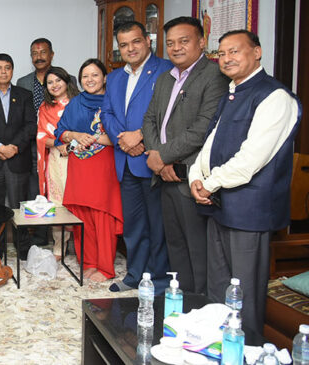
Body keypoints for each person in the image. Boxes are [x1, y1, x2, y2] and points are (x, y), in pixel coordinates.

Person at [190, 30, 300, 344]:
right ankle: (215, 349)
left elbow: (252, 158)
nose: (227, 59)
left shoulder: (274, 97)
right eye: (222, 53)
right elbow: (210, 144)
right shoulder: (232, 92)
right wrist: (196, 177)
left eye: (234, 51)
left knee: (244, 293)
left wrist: (209, 183)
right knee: (218, 287)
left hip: (249, 210)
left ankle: (245, 351)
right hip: (217, 203)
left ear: (257, 52)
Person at [142, 16, 228, 295]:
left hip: (192, 176)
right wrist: (158, 159)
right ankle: (182, 300)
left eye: (184, 41)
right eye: (170, 43)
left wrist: (163, 157)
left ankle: (201, 302)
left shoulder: (214, 76)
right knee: (176, 246)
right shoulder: (166, 78)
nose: (176, 48)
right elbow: (150, 120)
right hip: (165, 175)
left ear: (202, 42)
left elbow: (203, 127)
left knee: (197, 248)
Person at [101, 21, 174, 294]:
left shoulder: (166, 70)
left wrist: (140, 136)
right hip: (125, 160)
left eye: (135, 42)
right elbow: (107, 113)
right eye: (123, 45)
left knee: (158, 225)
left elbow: (170, 113)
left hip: (154, 160)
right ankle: (135, 275)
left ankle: (159, 280)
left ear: (148, 41)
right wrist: (123, 139)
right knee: (133, 225)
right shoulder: (115, 77)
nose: (130, 49)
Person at [54, 59, 123, 282]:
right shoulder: (75, 103)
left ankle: (105, 267)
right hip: (79, 166)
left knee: (102, 216)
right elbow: (60, 133)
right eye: (85, 76)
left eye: (95, 75)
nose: (90, 80)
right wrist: (75, 135)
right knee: (82, 215)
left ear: (105, 78)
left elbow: (122, 136)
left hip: (103, 167)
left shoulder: (115, 101)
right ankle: (89, 262)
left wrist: (95, 138)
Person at [0, 53, 36, 260]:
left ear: (12, 70)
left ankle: (22, 247)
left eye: (7, 68)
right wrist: (0, 147)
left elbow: (31, 125)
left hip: (18, 159)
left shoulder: (25, 95)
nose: (3, 72)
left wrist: (14, 148)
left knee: (18, 206)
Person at [36, 66, 78, 259]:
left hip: (80, 159)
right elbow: (41, 137)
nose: (54, 85)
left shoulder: (79, 104)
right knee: (57, 203)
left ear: (66, 81)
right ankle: (59, 246)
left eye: (58, 80)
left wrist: (70, 144)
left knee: (79, 202)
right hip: (56, 162)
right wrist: (59, 144)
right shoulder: (45, 108)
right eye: (50, 82)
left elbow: (89, 132)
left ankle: (81, 246)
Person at [17, 38, 56, 245]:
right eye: (34, 53)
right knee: (36, 191)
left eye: (43, 52)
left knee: (58, 190)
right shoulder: (23, 82)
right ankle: (39, 237)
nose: (38, 57)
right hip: (32, 147)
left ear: (52, 55)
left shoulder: (65, 79)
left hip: (58, 146)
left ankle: (61, 238)